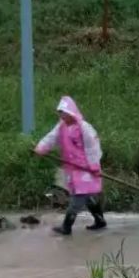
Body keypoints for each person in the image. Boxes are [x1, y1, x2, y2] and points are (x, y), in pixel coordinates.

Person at [34, 96, 107, 235]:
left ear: (71, 112)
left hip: (86, 169)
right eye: (60, 113)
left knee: (78, 198)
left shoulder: (84, 128)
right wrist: (41, 147)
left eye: (64, 112)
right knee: (88, 196)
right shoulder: (61, 126)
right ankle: (100, 220)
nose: (62, 115)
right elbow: (51, 137)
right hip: (72, 168)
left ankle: (66, 226)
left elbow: (93, 148)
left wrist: (94, 166)